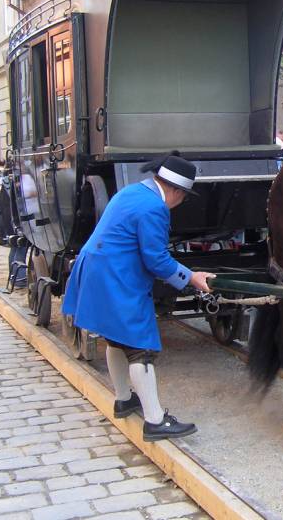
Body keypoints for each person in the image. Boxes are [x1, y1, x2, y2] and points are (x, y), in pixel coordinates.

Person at [62, 154, 215, 441]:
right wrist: (192, 277)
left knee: (115, 339)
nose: (180, 203)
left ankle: (123, 399)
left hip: (98, 269)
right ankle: (156, 421)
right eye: (183, 197)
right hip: (116, 276)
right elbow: (156, 259)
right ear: (176, 191)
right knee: (141, 347)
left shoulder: (133, 190)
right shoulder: (155, 207)